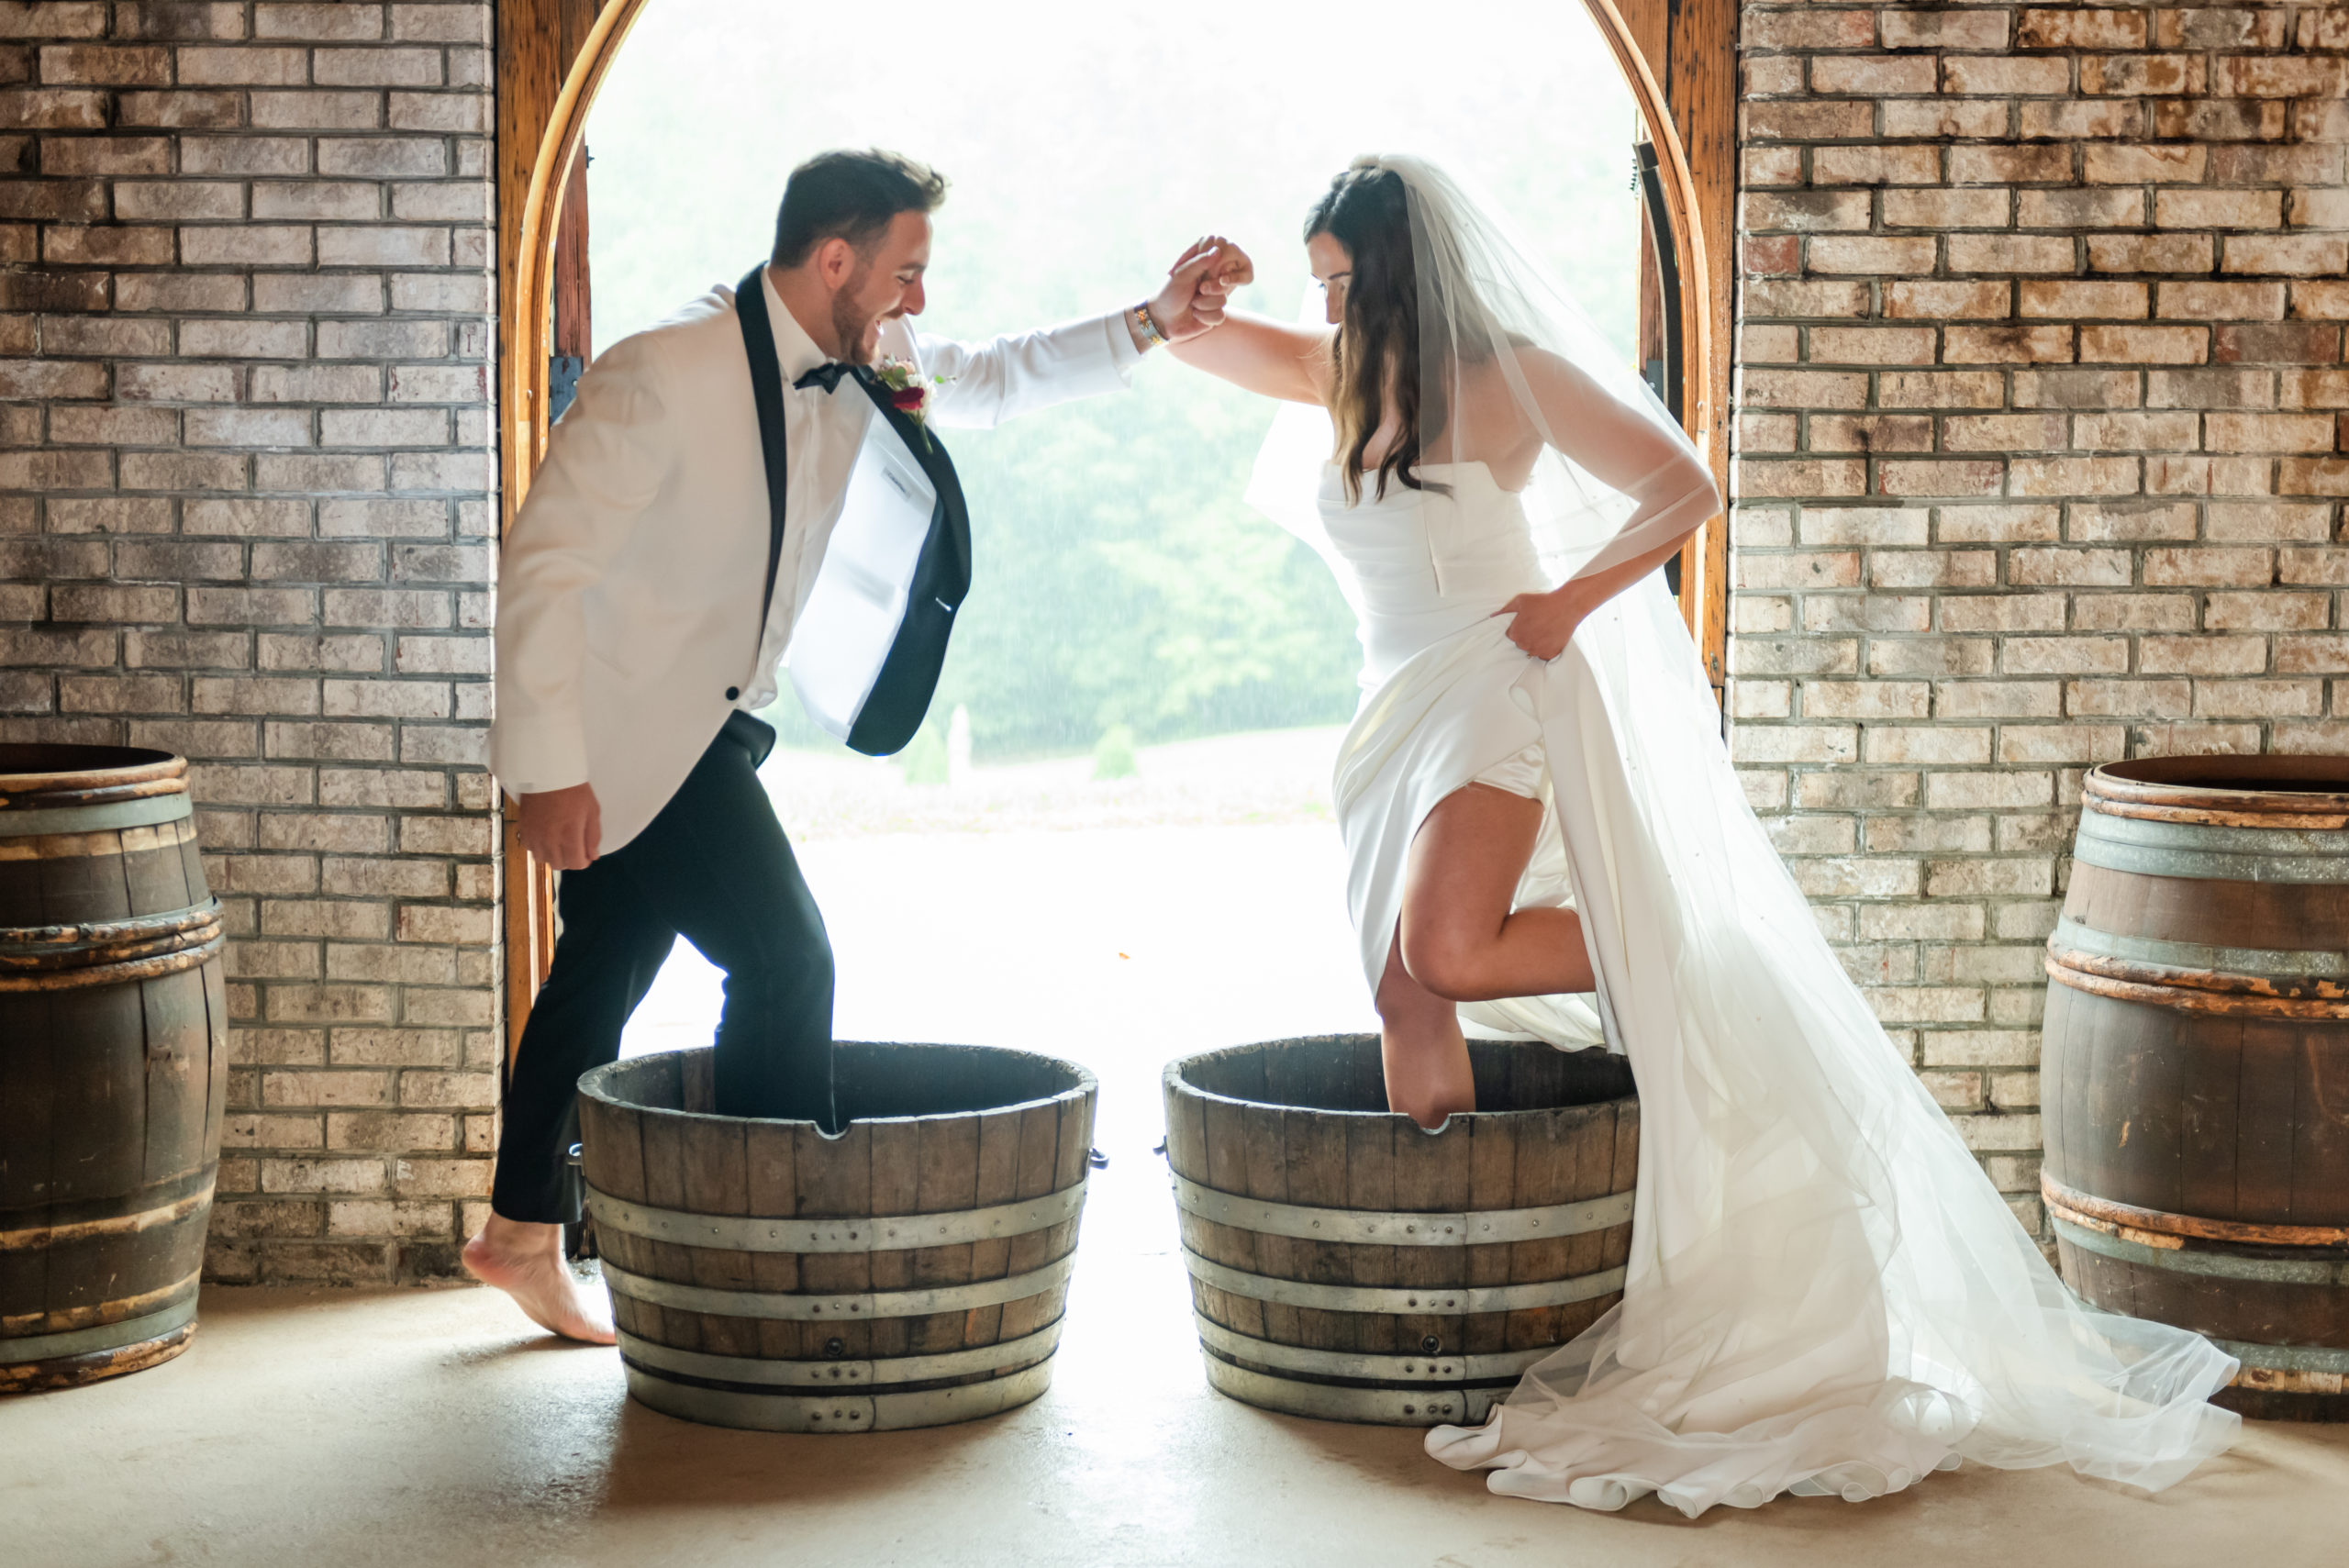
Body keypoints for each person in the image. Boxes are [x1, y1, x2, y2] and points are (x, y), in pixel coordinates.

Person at [1170, 155, 2239, 1515]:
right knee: (1397, 986)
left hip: (1495, 687)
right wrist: (1186, 298)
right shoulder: (1346, 373)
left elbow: (1681, 487)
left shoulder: (1509, 371)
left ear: (1402, 270)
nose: (1326, 305)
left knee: (1444, 951)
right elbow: (1204, 341)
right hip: (1392, 707)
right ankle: (1445, 1279)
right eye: (1315, 283)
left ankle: (1658, 923)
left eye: (1342, 280)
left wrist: (1567, 602)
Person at [471, 149, 1241, 1344]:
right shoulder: (665, 371)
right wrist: (548, 768)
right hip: (644, 733)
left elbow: (990, 379)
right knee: (789, 963)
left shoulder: (866, 357)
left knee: (600, 973)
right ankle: (766, 1270)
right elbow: (542, 567)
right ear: (837, 260)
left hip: (723, 717)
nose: (918, 300)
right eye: (907, 271)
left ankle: (519, 1235)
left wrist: (1151, 322)